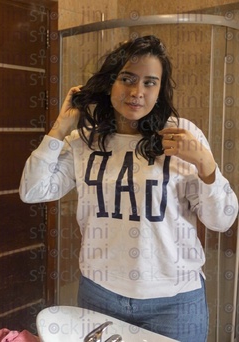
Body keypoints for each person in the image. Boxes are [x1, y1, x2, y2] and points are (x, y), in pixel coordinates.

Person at [19, 35, 238, 342]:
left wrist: (206, 165)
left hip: (174, 302)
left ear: (160, 90)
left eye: (150, 82)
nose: (137, 92)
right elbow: (33, 190)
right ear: (110, 83)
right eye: (127, 79)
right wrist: (60, 127)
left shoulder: (181, 134)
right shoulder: (86, 141)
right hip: (100, 294)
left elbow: (221, 220)